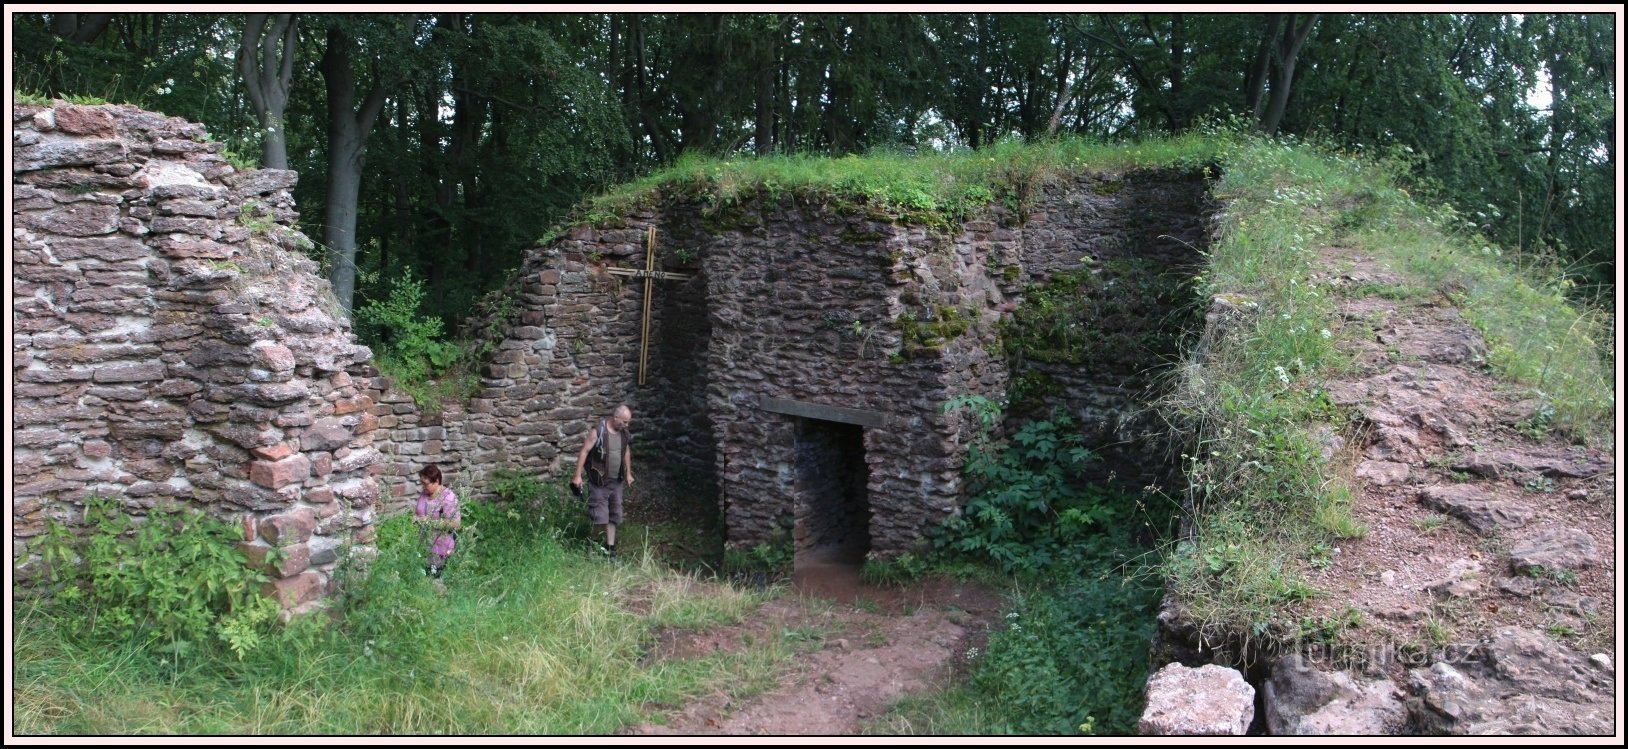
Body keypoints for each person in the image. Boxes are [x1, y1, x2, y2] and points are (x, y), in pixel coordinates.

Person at [571, 404, 634, 558]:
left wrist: (628, 473)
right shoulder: (598, 431)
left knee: (614, 514)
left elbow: (626, 451)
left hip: (616, 482)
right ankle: (591, 544)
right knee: (599, 517)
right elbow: (584, 451)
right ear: (616, 417)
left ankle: (610, 549)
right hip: (599, 482)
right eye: (624, 422)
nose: (626, 425)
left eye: (628, 422)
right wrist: (577, 476)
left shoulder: (624, 433)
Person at [413, 464, 461, 577]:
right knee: (421, 576)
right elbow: (418, 512)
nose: (422, 487)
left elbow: (455, 524)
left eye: (426, 484)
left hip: (440, 546)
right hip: (423, 543)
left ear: (437, 481)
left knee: (435, 577)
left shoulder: (448, 498)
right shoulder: (425, 494)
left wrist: (427, 522)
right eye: (421, 483)